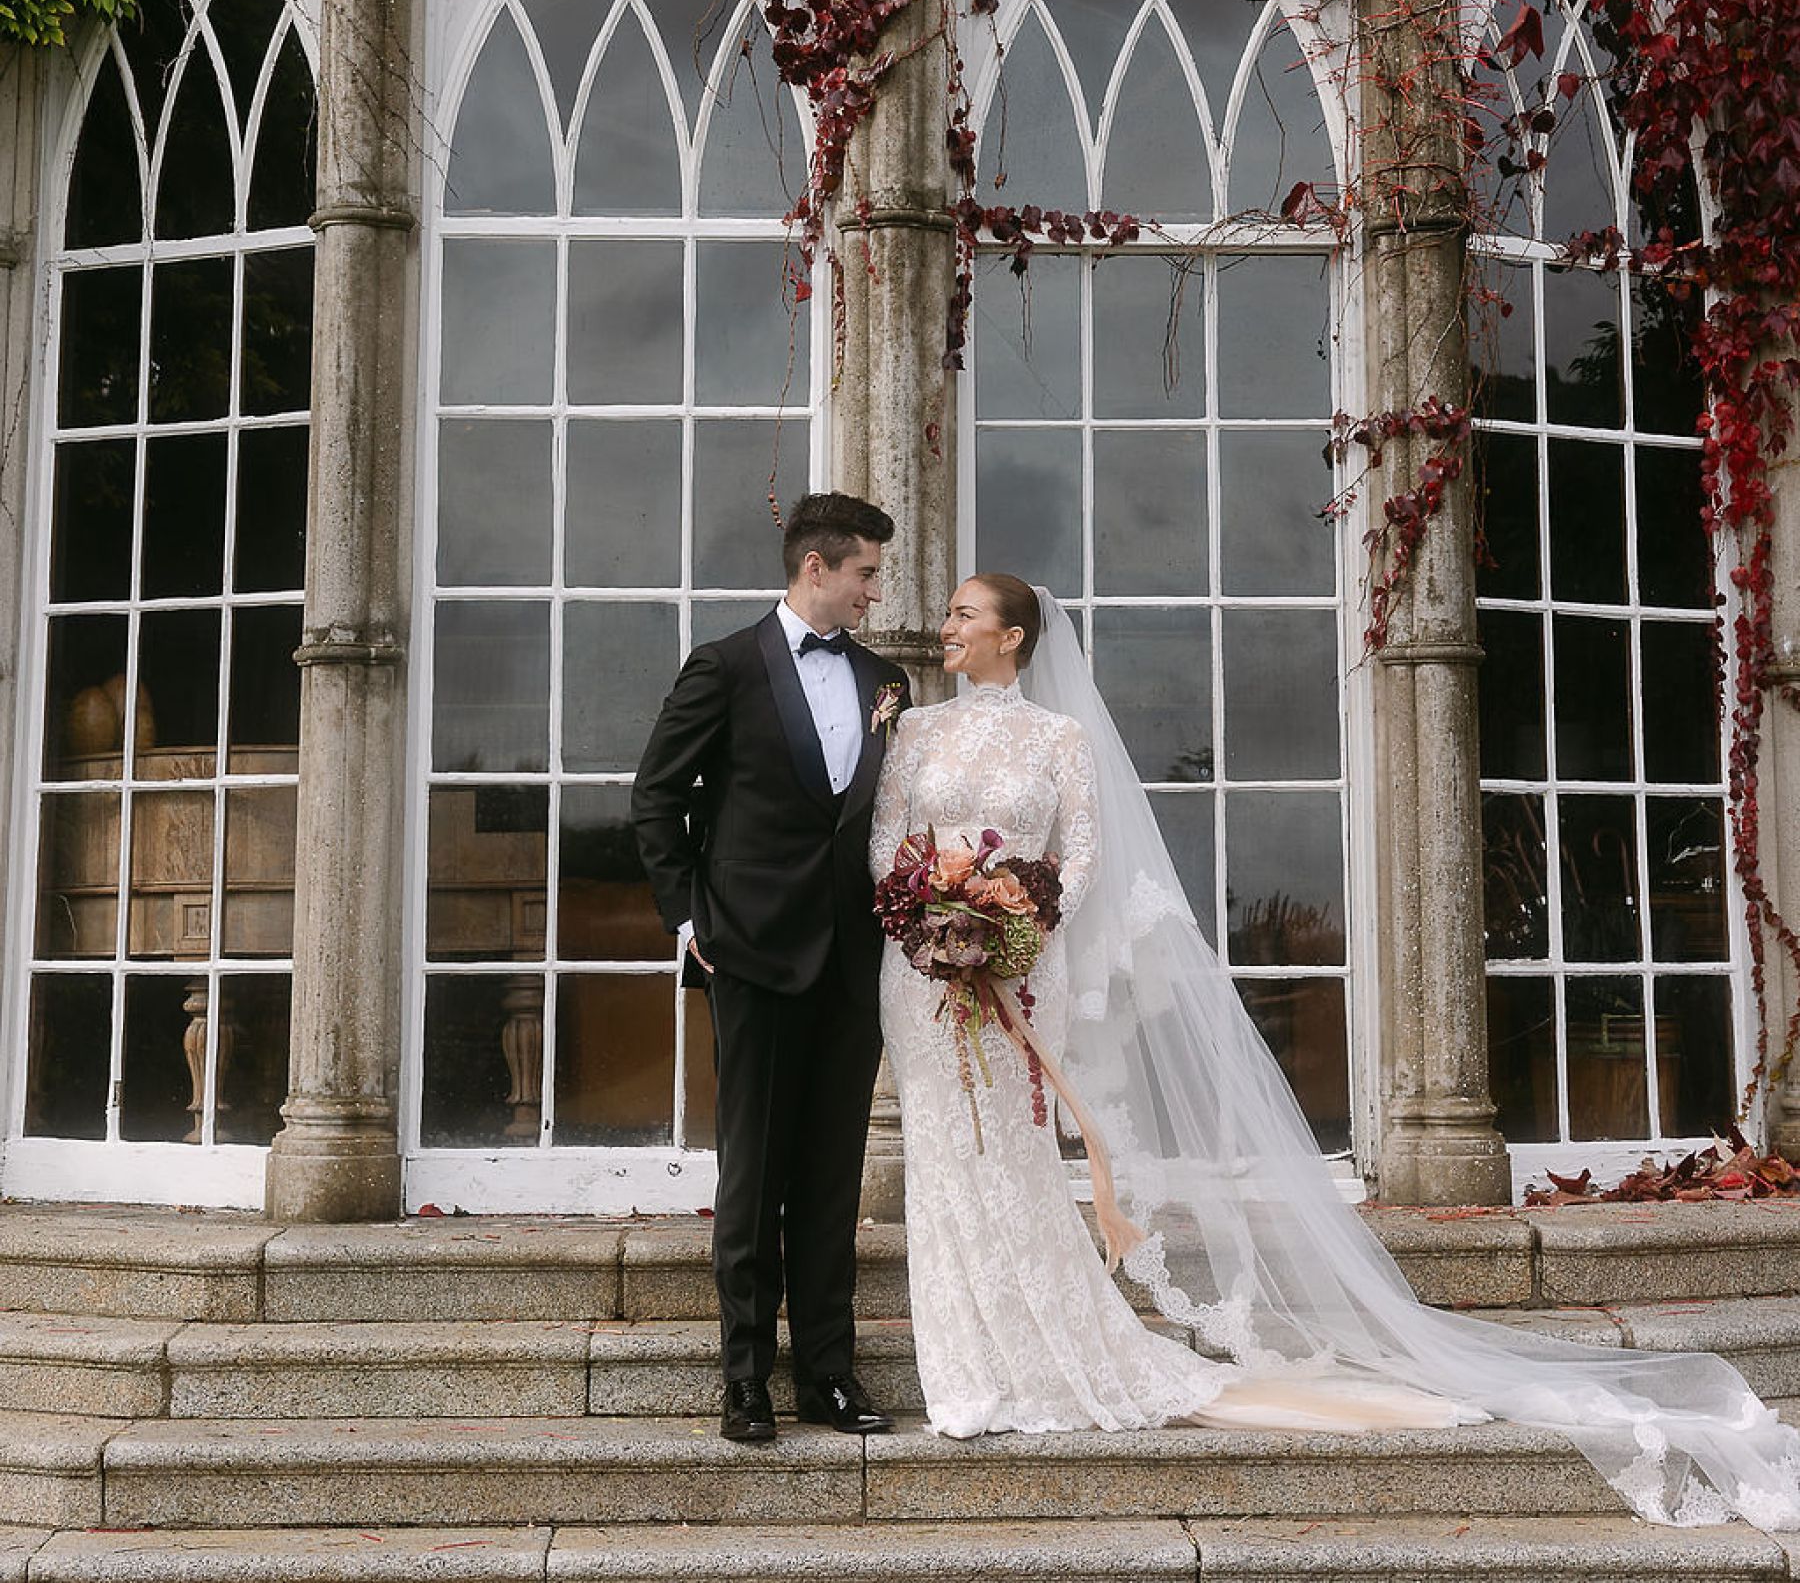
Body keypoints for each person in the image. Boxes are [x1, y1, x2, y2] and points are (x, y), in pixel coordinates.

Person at [872, 574, 1800, 1529]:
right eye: (949, 614)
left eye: (962, 615)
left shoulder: (1059, 739)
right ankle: (968, 1368)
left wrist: (1010, 924)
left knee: (1017, 1158)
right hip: (921, 975)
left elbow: (1082, 855)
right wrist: (930, 921)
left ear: (1013, 637)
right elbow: (884, 845)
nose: (944, 627)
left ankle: (1044, 1354)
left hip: (1025, 969)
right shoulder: (914, 733)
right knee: (945, 1162)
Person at [631, 490, 908, 1447]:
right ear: (817, 569)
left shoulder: (888, 680)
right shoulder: (724, 667)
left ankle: (826, 1376)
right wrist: (686, 918)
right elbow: (655, 799)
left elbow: (883, 818)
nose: (877, 591)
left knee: (831, 1177)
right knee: (752, 1174)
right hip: (749, 951)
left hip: (854, 962)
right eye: (867, 573)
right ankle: (743, 1378)